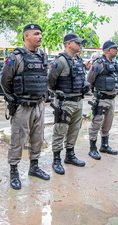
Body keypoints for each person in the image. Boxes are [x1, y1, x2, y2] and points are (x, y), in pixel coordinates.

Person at [0, 24, 50, 190]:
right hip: (22, 106)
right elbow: (4, 81)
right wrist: (13, 100)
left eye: (40, 34)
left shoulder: (43, 56)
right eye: (36, 34)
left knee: (38, 138)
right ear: (26, 36)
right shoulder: (16, 57)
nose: (40, 37)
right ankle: (14, 171)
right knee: (17, 140)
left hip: (39, 105)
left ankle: (34, 167)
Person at [48, 33, 88, 175]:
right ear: (68, 44)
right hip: (65, 103)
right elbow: (50, 81)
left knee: (74, 130)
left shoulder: (78, 60)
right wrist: (57, 94)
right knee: (60, 131)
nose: (80, 45)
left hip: (78, 101)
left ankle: (70, 155)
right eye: (77, 43)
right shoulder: (60, 61)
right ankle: (57, 160)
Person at [87, 40, 118, 160]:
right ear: (107, 50)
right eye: (114, 48)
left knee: (108, 123)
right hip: (100, 99)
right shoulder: (98, 64)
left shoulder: (114, 63)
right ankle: (92, 148)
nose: (116, 50)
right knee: (96, 122)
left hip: (112, 99)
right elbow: (89, 80)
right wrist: (94, 93)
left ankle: (104, 145)